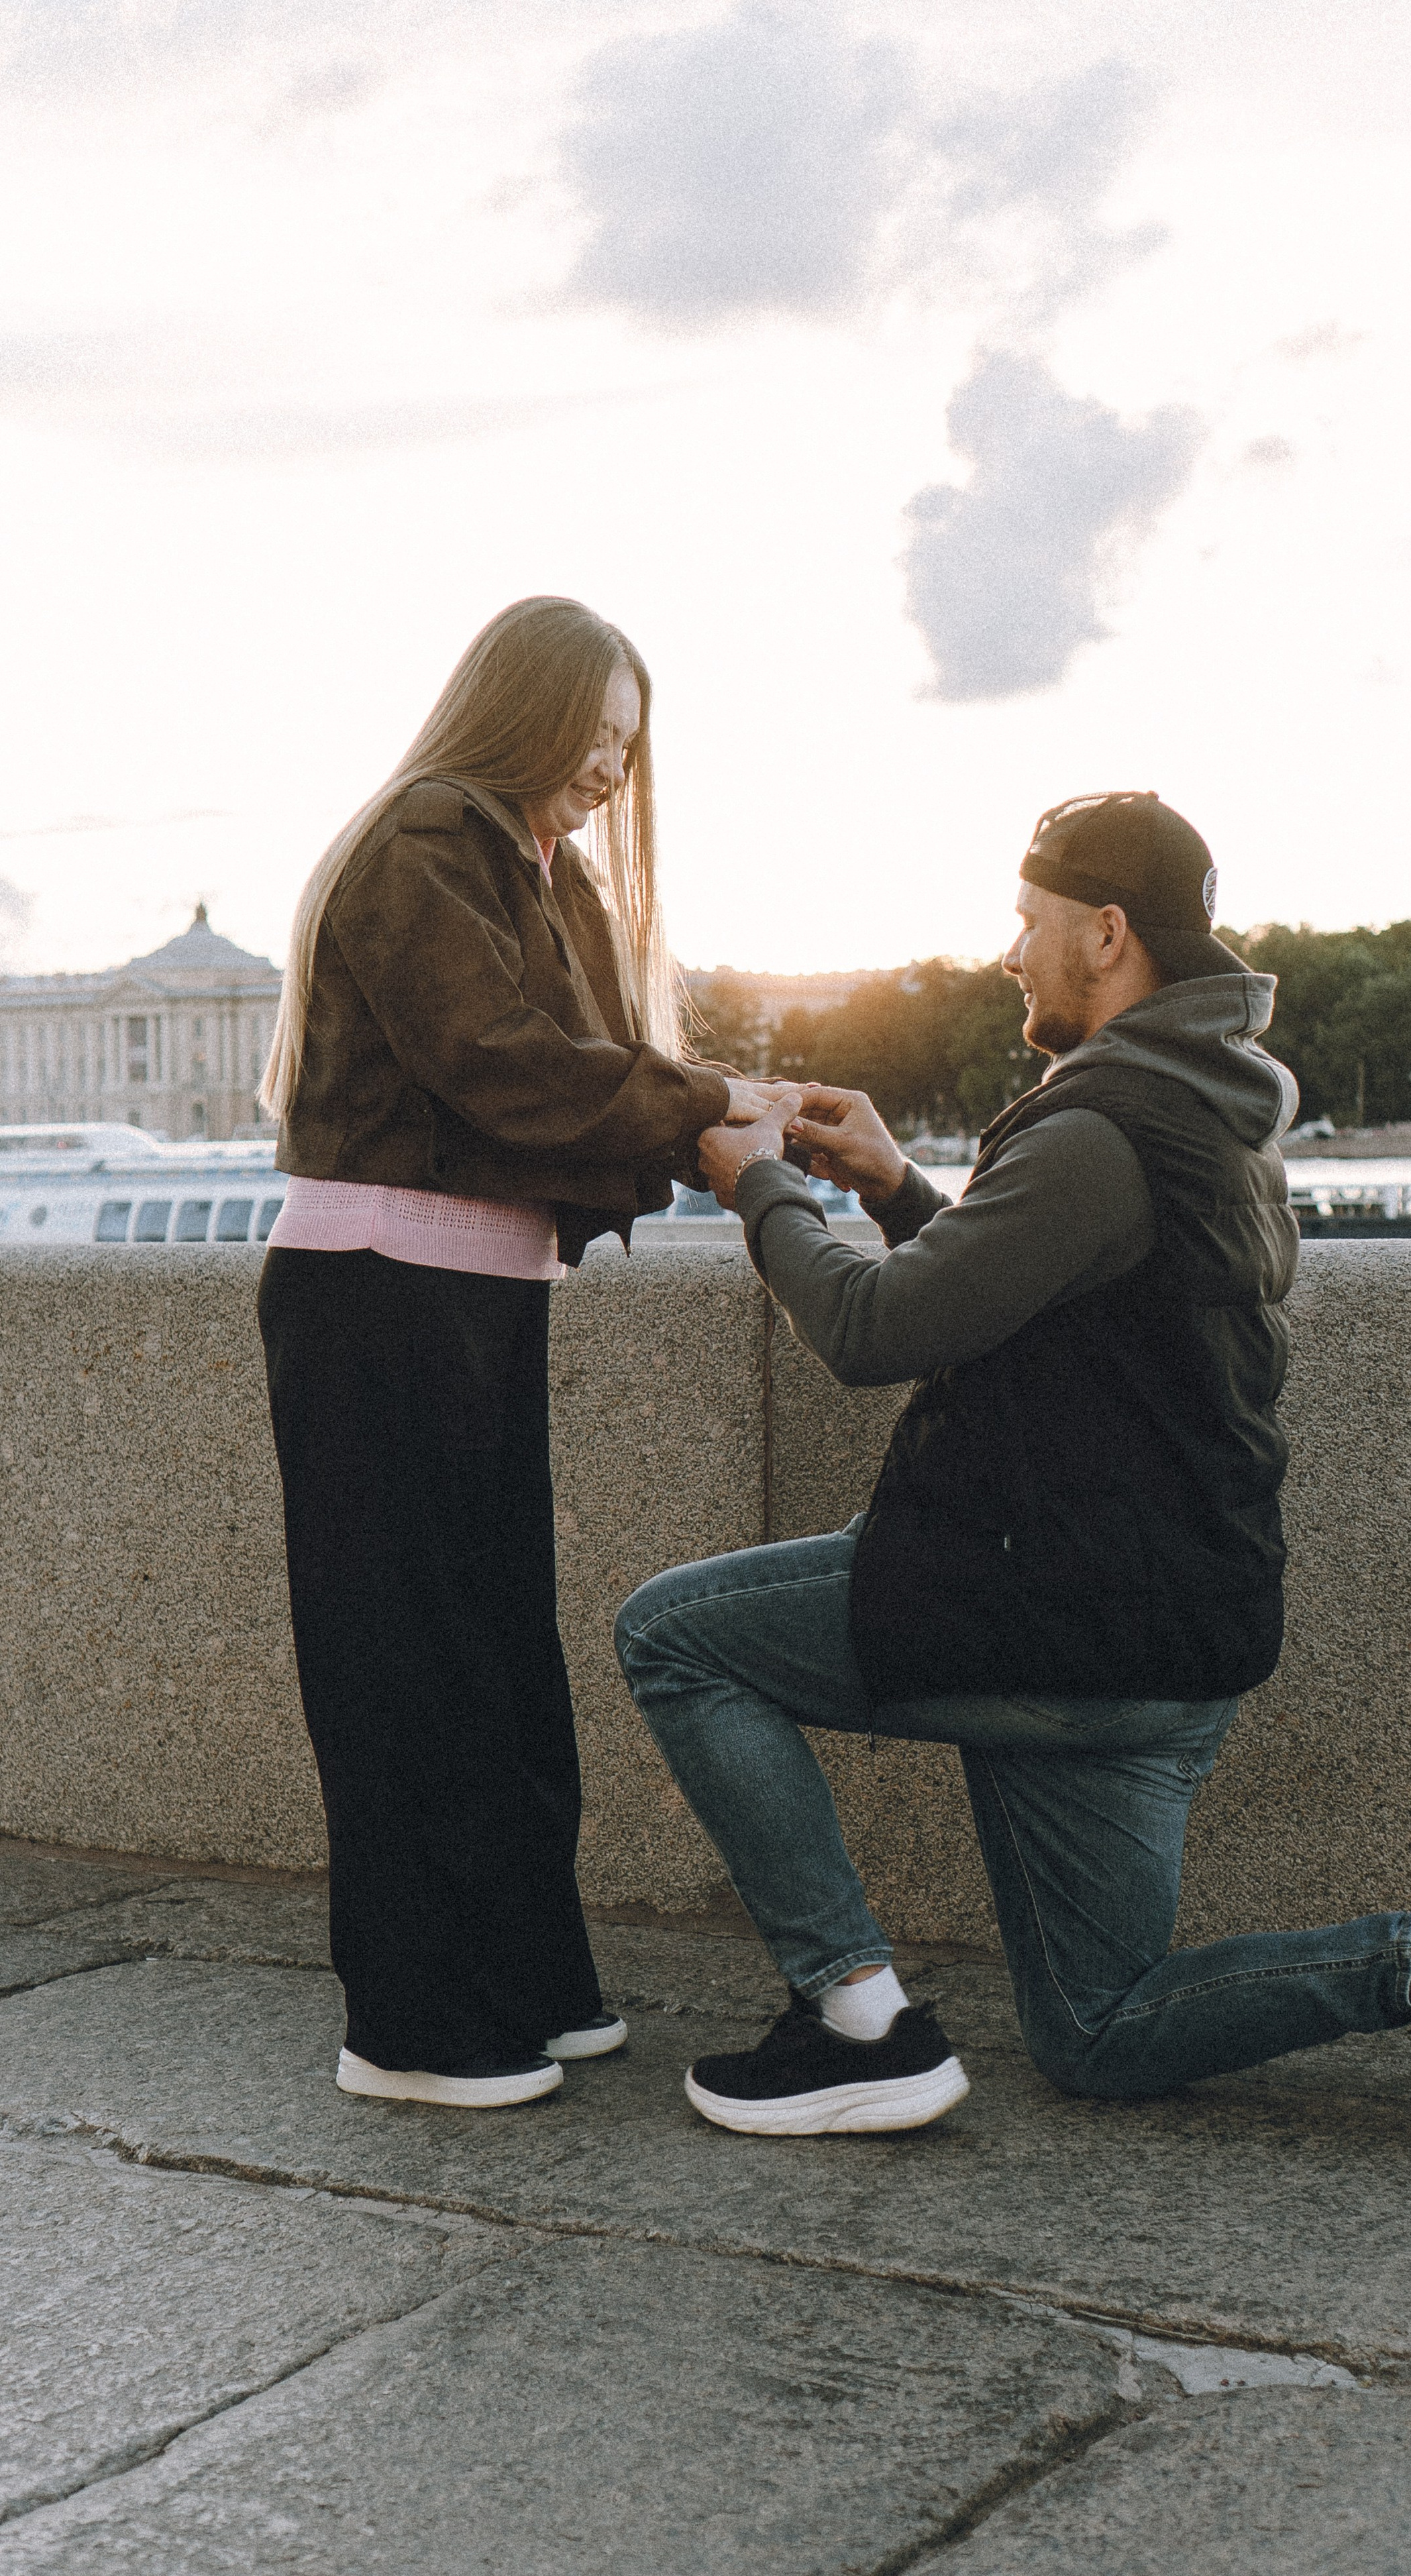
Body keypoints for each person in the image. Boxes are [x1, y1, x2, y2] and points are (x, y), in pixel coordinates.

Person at [615, 791, 1411, 2148]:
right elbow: (1050, 1300)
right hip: (1167, 1635)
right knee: (1097, 2030)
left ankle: (854, 2020)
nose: (1008, 953)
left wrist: (762, 1185)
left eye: (1029, 922)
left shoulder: (1096, 1129)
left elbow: (871, 1333)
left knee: (673, 1637)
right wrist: (897, 1190)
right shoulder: (1206, 1107)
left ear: (1108, 933)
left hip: (1055, 1615)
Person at [257, 595, 792, 2110]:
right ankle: (411, 2030)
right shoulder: (423, 841)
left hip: (469, 1299)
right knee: (405, 1665)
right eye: (594, 734)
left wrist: (734, 1110)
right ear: (520, 710)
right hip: (377, 1298)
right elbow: (504, 1069)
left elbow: (581, 1079)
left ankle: (522, 1981)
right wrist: (710, 1107)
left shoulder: (536, 870)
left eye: (630, 743)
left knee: (494, 1656)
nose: (614, 767)